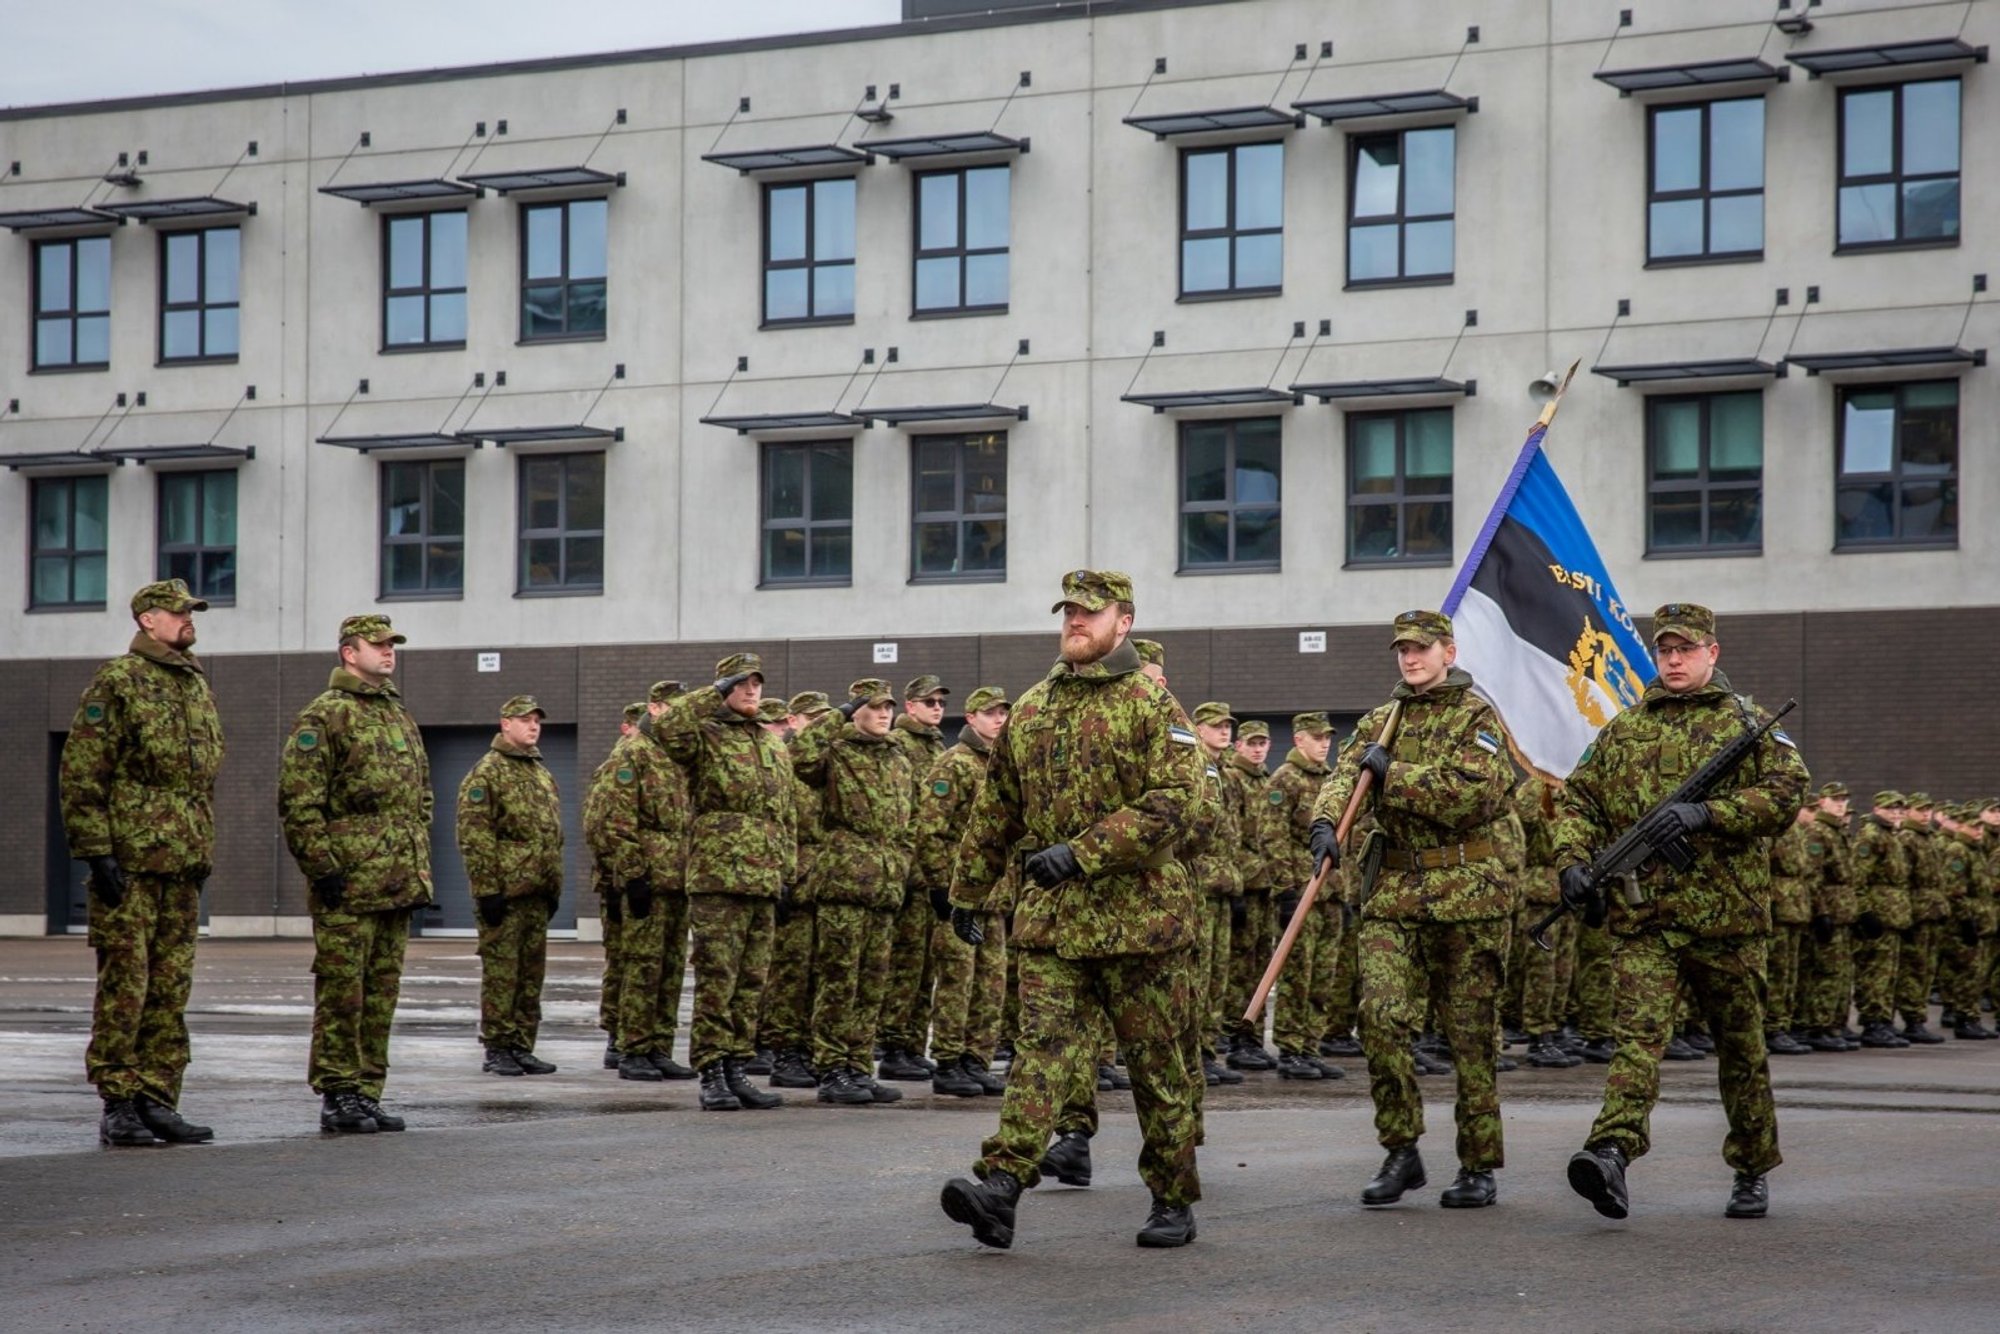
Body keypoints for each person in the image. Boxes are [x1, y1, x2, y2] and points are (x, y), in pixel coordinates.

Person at [939, 570, 1206, 1250]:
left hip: (1140, 919)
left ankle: (1172, 1196)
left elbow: (1177, 804)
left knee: (1155, 1064)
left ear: (1124, 621)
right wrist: (967, 891)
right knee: (1041, 1054)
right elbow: (995, 810)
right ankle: (1000, 1189)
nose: (1076, 623)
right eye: (1069, 613)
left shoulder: (1152, 703)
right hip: (1054, 922)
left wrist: (1082, 852)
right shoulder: (1032, 707)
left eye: (1091, 613)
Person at [1555, 603, 1809, 1221]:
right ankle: (1611, 1151)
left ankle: (1751, 1165)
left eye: (1685, 649)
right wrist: (1571, 862)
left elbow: (1786, 792)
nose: (1673, 659)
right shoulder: (1624, 730)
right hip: (1646, 923)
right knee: (1637, 1040)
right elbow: (1577, 801)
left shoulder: (1745, 723)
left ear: (1711, 653)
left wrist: (1708, 814)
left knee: (1740, 1047)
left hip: (1727, 920)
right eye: (1665, 649)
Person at [1309, 609, 1515, 1209]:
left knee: (1471, 1033)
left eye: (1421, 648)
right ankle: (1401, 1148)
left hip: (1466, 891)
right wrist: (1326, 823)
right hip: (1393, 891)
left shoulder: (1476, 715)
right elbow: (1344, 776)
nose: (1409, 658)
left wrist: (1395, 774)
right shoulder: (1381, 720)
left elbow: (1477, 794)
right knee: (1379, 1016)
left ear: (1447, 651)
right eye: (1402, 649)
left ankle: (1478, 1163)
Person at [59, 578, 224, 1146]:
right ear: (147, 619)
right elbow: (83, 772)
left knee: (171, 987)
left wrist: (201, 844)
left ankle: (158, 1096)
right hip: (129, 861)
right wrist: (96, 850)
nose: (189, 619)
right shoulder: (119, 681)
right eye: (179, 612)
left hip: (181, 862)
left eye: (192, 611)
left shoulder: (195, 685)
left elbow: (200, 781)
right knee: (127, 985)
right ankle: (119, 1101)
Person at [278, 614, 434, 1135]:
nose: (389, 652)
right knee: (344, 992)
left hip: (394, 879)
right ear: (349, 652)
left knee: (382, 990)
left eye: (393, 644)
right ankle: (338, 1091)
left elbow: (421, 795)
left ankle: (367, 1090)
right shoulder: (325, 716)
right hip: (348, 881)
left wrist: (412, 857)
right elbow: (300, 803)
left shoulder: (397, 714)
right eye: (379, 644)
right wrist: (323, 868)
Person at [651, 653, 794, 1110]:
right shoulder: (705, 735)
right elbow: (665, 729)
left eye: (757, 683)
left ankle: (737, 1066)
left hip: (763, 877)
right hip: (719, 874)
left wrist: (787, 872)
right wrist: (710, 694)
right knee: (719, 977)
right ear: (723, 688)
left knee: (752, 981)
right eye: (741, 683)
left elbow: (783, 813)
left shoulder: (770, 744)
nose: (752, 691)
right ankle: (711, 1070)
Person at [792, 679, 915, 1105]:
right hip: (845, 880)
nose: (884, 714)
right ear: (856, 712)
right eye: (874, 707)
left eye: (889, 707)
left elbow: (909, 818)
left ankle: (859, 1066)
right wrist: (837, 714)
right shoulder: (836, 752)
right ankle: (831, 1068)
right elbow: (799, 755)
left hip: (884, 883)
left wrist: (902, 860)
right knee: (839, 979)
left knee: (872, 983)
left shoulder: (898, 757)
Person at [586, 690, 694, 1082]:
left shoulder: (680, 758)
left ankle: (659, 1047)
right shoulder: (633, 753)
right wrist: (632, 876)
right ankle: (632, 1047)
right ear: (655, 709)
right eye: (671, 709)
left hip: (678, 879)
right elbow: (611, 820)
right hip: (646, 880)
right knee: (641, 967)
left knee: (670, 968)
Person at [915, 686, 1016, 1098]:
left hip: (994, 895)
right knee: (958, 979)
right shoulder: (953, 764)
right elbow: (930, 831)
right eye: (990, 713)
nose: (999, 719)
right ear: (970, 718)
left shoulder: (1004, 764)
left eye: (1003, 713)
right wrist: (941, 886)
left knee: (991, 981)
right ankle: (949, 1060)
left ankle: (976, 1058)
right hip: (960, 894)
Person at [456, 694, 565, 1076]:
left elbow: (552, 835)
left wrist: (553, 885)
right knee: (503, 973)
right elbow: (475, 835)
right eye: (525, 719)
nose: (533, 726)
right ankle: (498, 1045)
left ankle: (521, 1043)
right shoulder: (488, 772)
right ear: (505, 724)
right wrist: (486, 889)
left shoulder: (539, 772)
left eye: (537, 720)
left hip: (536, 891)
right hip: (504, 894)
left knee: (531, 974)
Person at [878, 674, 952, 1081]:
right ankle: (893, 1044)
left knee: (925, 966)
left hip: (930, 872)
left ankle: (911, 1043)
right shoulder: (901, 744)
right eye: (929, 702)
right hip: (911, 870)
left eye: (940, 702)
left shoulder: (935, 743)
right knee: (905, 964)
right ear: (910, 706)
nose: (937, 708)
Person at [762, 690, 837, 1089]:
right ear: (794, 721)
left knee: (815, 973)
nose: (820, 724)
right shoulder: (788, 762)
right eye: (813, 718)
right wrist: (783, 877)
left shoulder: (822, 766)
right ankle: (784, 1051)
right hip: (795, 879)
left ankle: (806, 1048)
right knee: (789, 974)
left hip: (821, 881)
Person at [1270, 712, 1336, 1080]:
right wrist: (1285, 890)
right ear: (1298, 740)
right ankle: (1290, 1048)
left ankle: (1311, 1045)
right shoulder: (1286, 779)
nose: (1324, 742)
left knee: (1322, 974)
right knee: (1298, 973)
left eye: (1327, 736)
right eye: (1316, 736)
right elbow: (1273, 836)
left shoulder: (1330, 779)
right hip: (1301, 887)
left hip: (1329, 892)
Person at [582, 701, 646, 1069]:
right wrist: (613, 877)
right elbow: (600, 826)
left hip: (635, 877)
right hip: (617, 879)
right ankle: (616, 1034)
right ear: (626, 728)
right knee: (623, 960)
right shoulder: (617, 766)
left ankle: (632, 1036)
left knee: (641, 962)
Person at [1188, 703, 1246, 1086]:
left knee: (1217, 977)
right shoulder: (1192, 766)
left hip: (1225, 887)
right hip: (1201, 887)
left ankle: (1208, 1051)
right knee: (1196, 976)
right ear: (1199, 729)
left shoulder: (1228, 774)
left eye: (1228, 726)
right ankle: (1192, 1054)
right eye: (1216, 726)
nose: (1224, 732)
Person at [1225, 722, 1281, 1069]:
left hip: (1265, 885)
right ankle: (1235, 1034)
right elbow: (1231, 837)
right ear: (1240, 746)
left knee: (1261, 962)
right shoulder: (1233, 779)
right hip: (1244, 882)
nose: (1259, 749)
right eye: (1252, 743)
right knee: (1240, 966)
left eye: (1263, 743)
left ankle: (1254, 1036)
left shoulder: (1266, 780)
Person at [1797, 782, 1858, 1052]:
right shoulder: (1819, 833)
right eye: (1835, 800)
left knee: (1840, 972)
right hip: (1829, 910)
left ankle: (1833, 1024)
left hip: (1842, 910)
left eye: (1843, 800)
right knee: (1825, 971)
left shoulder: (1837, 832)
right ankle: (1818, 1026)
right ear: (1822, 802)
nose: (1840, 804)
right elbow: (1813, 876)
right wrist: (1821, 912)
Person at [1849, 792, 1912, 1048]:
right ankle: (1873, 1021)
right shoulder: (1871, 836)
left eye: (1900, 809)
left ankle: (1884, 1019)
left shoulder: (1891, 836)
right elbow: (1858, 877)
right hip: (1879, 913)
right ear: (1877, 809)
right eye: (1891, 808)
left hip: (1893, 914)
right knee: (1875, 971)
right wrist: (1865, 912)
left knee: (1888, 972)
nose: (1896, 813)